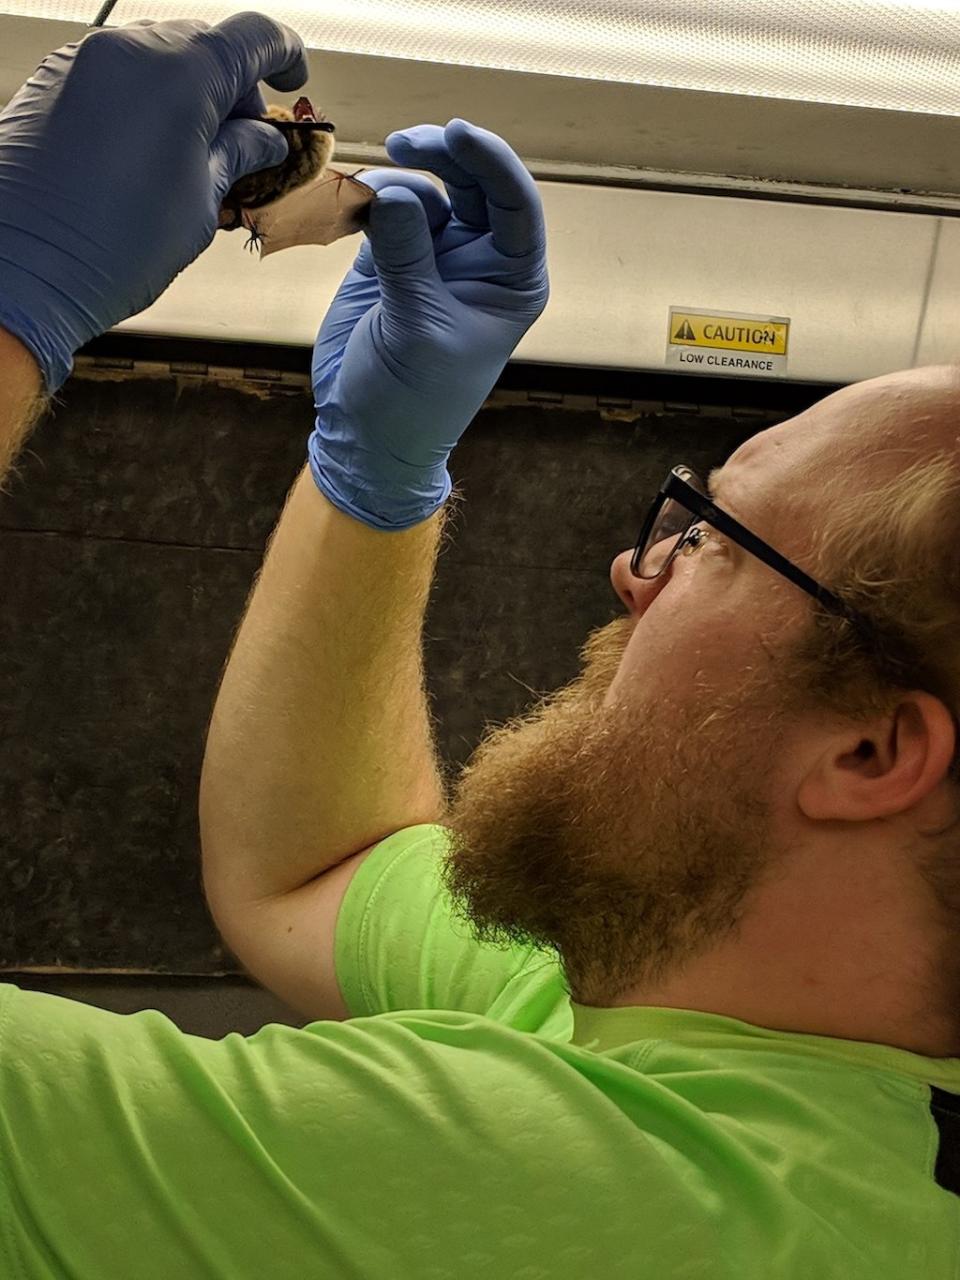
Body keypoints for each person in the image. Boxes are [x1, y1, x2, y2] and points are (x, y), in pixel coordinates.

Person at [0, 12, 957, 1279]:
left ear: (873, 746)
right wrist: (374, 474)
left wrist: (13, 295)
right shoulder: (728, 1017)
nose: (635, 571)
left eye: (712, 535)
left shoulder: (632, 1205)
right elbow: (315, 871)